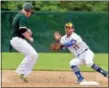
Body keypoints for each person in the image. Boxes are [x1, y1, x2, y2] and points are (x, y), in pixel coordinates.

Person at [10, 3, 38, 82]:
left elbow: (19, 27)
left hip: (17, 40)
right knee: (32, 54)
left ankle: (23, 74)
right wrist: (29, 38)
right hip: (17, 40)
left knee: (34, 55)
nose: (31, 14)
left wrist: (27, 29)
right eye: (31, 12)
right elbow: (22, 30)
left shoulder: (20, 15)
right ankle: (20, 71)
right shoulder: (23, 16)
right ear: (27, 10)